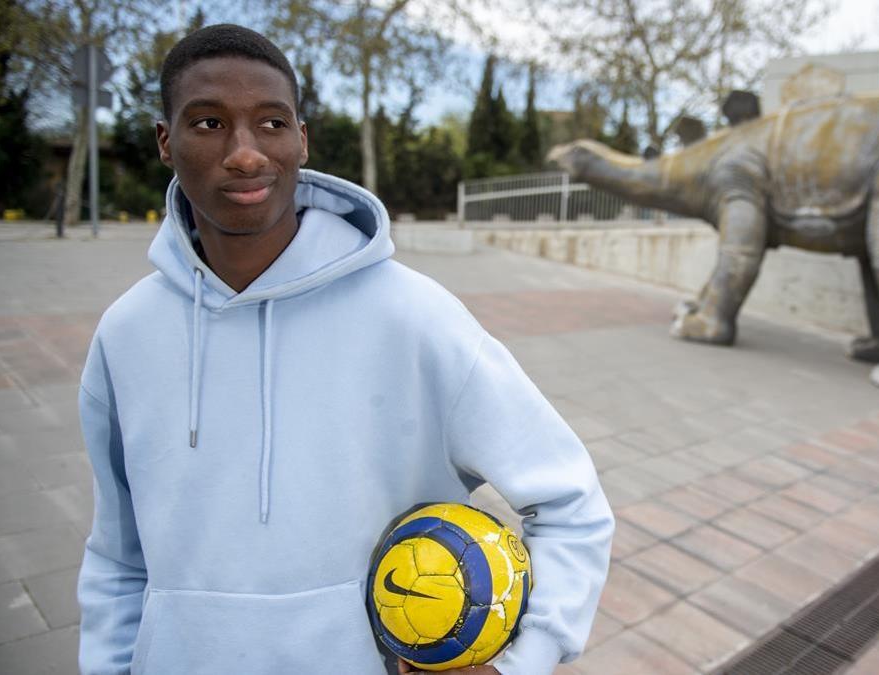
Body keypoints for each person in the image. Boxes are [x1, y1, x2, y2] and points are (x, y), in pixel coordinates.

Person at [76, 24, 614, 675]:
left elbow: (571, 502)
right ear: (166, 140)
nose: (245, 154)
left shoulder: (415, 316)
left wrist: (523, 660)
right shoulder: (125, 333)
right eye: (210, 122)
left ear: (301, 139)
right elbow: (118, 555)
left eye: (271, 123)